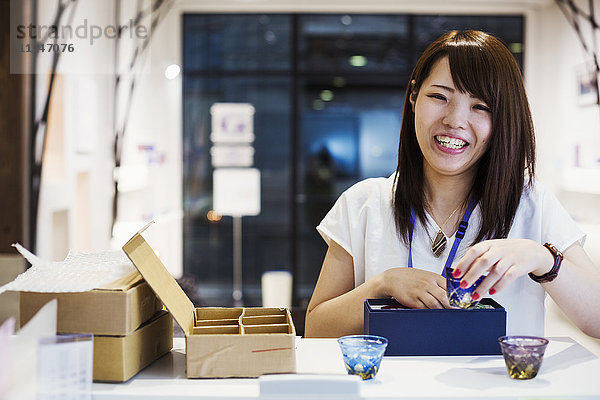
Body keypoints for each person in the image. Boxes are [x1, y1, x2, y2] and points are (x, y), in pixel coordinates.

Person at [304, 30, 600, 339]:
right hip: (391, 388)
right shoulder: (363, 202)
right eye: (439, 97)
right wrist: (383, 284)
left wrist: (543, 258)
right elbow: (315, 330)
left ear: (503, 118)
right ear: (414, 96)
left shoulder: (530, 203)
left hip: (504, 387)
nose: (455, 120)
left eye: (480, 107)